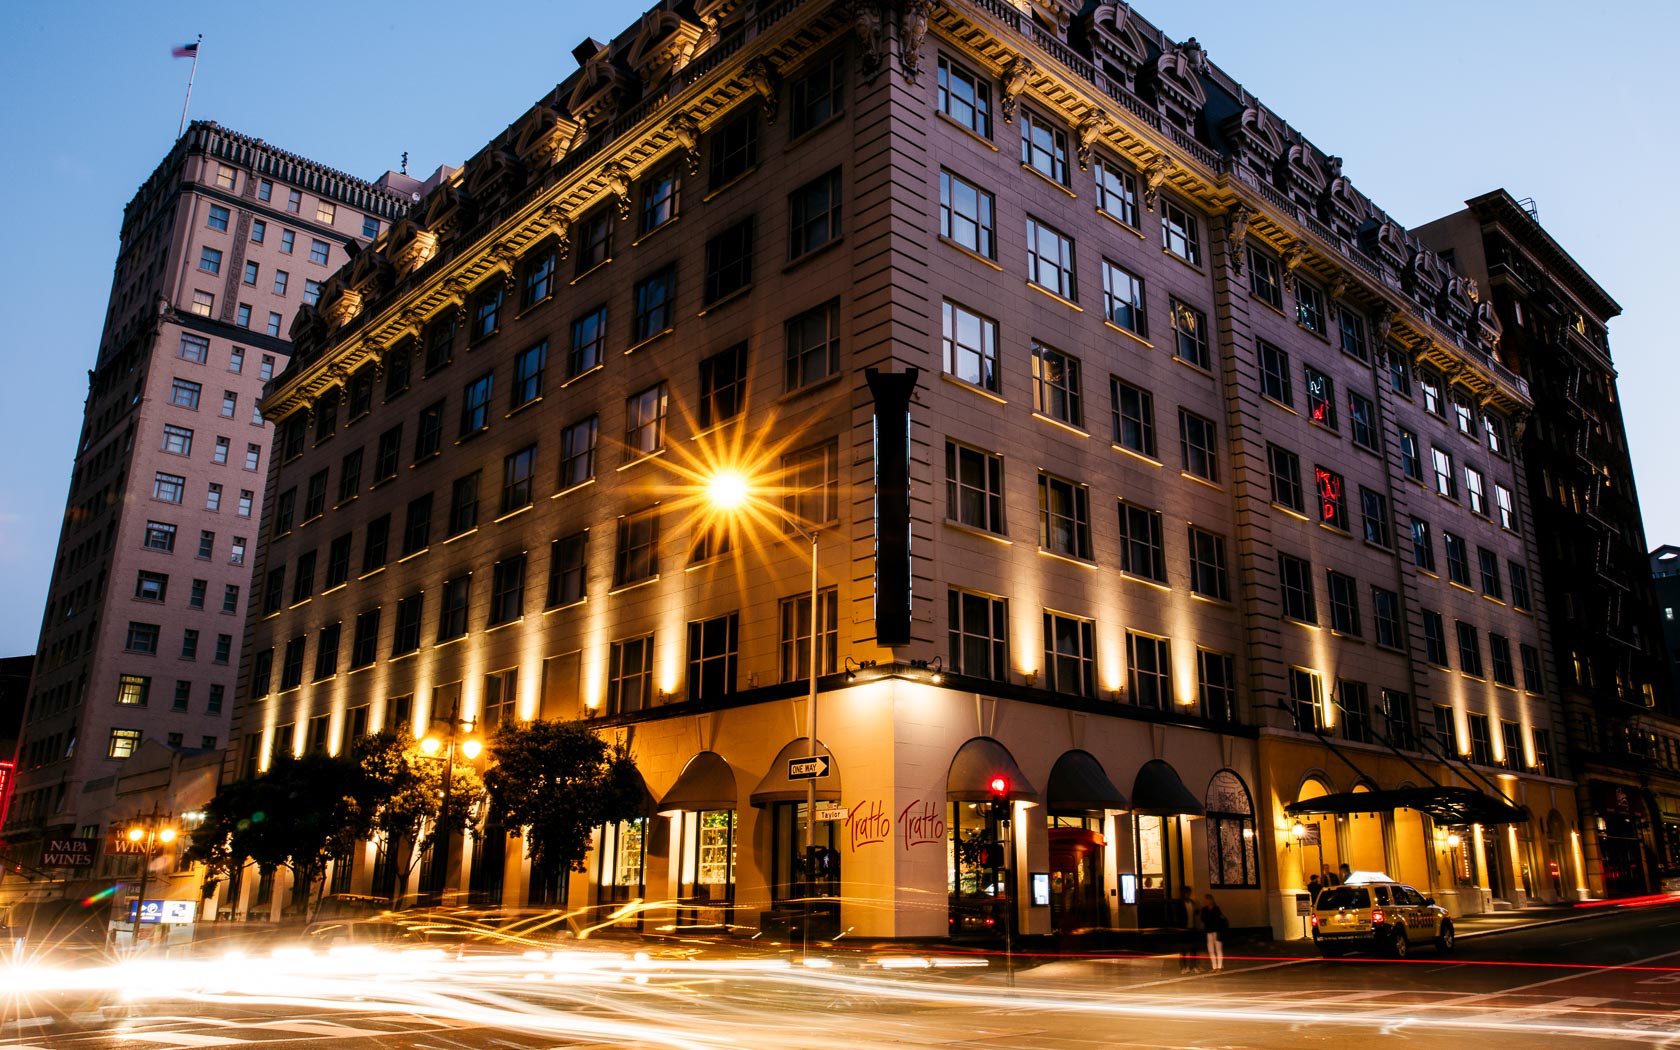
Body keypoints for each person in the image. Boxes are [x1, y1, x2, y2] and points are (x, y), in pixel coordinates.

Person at [1201, 894, 1228, 972]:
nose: (1206, 901)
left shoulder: (1216, 909)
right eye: (1205, 900)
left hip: (1217, 931)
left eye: (1208, 900)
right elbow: (1202, 919)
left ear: (1212, 900)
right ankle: (1214, 967)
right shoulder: (1204, 909)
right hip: (1209, 931)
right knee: (1211, 950)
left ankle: (1219, 967)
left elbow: (1220, 919)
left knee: (1218, 949)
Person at [1178, 887, 1202, 974]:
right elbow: (1178, 916)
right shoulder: (1180, 903)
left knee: (1193, 948)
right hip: (1184, 929)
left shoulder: (1192, 902)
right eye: (1186, 893)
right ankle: (1183, 967)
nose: (1188, 894)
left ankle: (1193, 966)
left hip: (1192, 928)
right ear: (1183, 893)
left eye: (1189, 893)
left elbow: (1196, 913)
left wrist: (1197, 910)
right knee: (1183, 949)